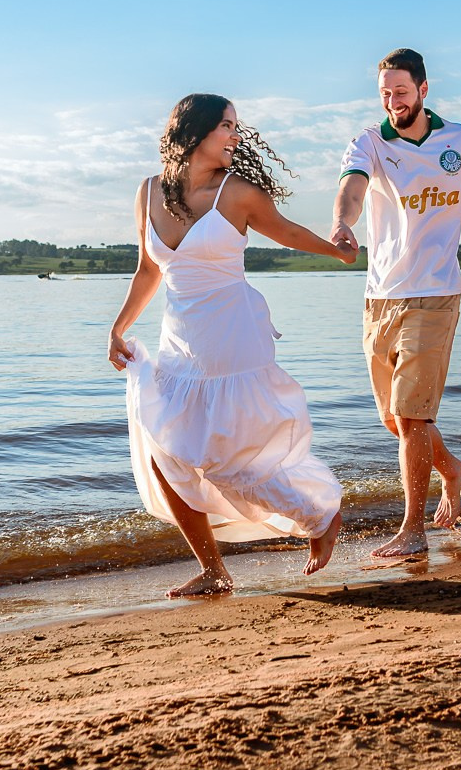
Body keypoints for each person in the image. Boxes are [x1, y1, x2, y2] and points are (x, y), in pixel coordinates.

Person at [108, 94, 358, 598]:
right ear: (195, 132)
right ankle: (213, 569)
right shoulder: (148, 192)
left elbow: (285, 232)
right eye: (226, 126)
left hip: (233, 335)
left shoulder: (236, 192)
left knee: (226, 457)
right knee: (167, 453)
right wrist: (117, 328)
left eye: (235, 127)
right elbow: (149, 269)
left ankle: (320, 516)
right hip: (180, 337)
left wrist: (337, 250)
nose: (235, 136)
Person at [329, 48, 461, 559]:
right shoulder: (368, 142)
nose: (393, 103)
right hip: (380, 295)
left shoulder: (460, 139)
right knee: (395, 419)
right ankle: (452, 467)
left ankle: (413, 530)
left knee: (412, 418)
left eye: (402, 93)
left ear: (424, 90)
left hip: (436, 292)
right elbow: (353, 188)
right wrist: (344, 222)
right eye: (385, 94)